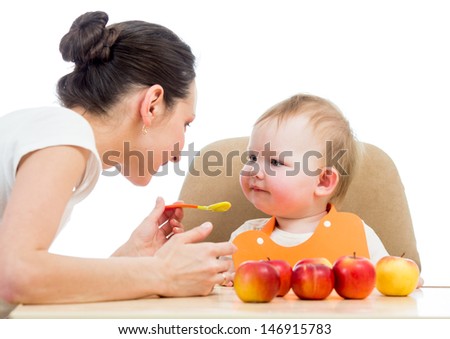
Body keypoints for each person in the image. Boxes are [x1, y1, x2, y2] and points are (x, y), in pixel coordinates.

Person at [0, 11, 235, 305]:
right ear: (152, 105)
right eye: (185, 124)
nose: (179, 153)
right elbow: (15, 276)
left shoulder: (50, 131)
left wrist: (132, 257)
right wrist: (162, 274)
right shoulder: (63, 134)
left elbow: (27, 280)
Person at [227, 94, 391, 275]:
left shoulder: (356, 233)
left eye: (275, 162)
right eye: (252, 158)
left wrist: (404, 282)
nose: (254, 170)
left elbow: (389, 280)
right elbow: (219, 291)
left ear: (323, 181)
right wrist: (225, 279)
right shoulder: (244, 237)